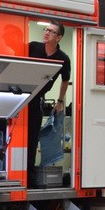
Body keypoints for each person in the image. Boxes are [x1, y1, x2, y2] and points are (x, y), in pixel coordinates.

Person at [27, 21, 71, 187]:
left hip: (37, 101)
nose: (46, 33)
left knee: (32, 140)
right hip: (20, 96)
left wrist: (60, 101)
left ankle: (29, 179)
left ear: (59, 37)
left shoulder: (63, 59)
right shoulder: (32, 47)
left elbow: (65, 80)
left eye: (51, 32)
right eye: (46, 30)